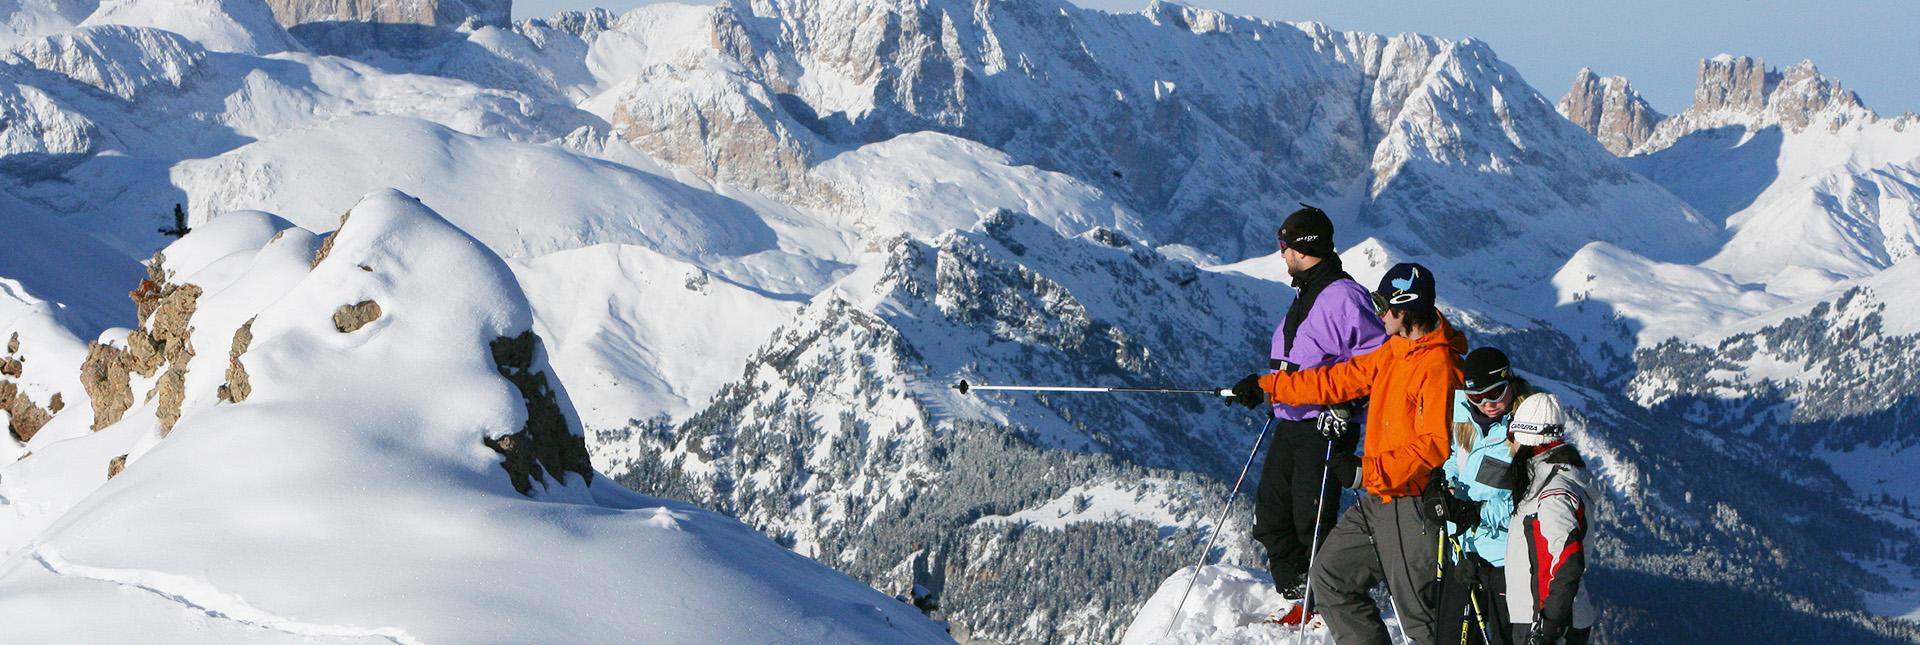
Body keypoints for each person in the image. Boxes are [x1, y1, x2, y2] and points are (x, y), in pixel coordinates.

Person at [1229, 262, 1465, 645]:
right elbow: (1339, 379)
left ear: (1403, 310)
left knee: (1422, 622)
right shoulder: (1396, 351)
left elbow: (1433, 445)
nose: (1378, 313)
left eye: (1383, 305)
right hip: (1378, 497)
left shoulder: (1437, 366)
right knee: (1330, 580)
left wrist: (1365, 472)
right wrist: (1269, 386)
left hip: (1411, 502)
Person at [1253, 204, 1387, 615]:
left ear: (1302, 246)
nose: (1281, 253)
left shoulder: (1344, 296)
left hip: (1325, 424)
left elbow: (1376, 361)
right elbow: (1299, 359)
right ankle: (1299, 596)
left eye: (1285, 245)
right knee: (1272, 516)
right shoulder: (1306, 293)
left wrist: (1347, 406)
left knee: (1311, 521)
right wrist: (1262, 388)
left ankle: (1320, 604)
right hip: (1291, 419)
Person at [1423, 348, 1535, 644]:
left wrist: (1477, 512)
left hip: (1504, 560)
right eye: (1476, 398)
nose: (1487, 405)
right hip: (1462, 549)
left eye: (1495, 394)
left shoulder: (1527, 429)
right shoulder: (1464, 415)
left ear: (1509, 382)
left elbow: (1531, 500)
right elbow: (1456, 459)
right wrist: (1441, 481)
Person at [1503, 393, 1598, 645]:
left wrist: (1548, 627)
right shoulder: (1547, 481)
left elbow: (1569, 562)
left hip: (1548, 623)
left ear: (1526, 438)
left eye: (1511, 436)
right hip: (1549, 618)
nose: (1508, 445)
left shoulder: (1553, 492)